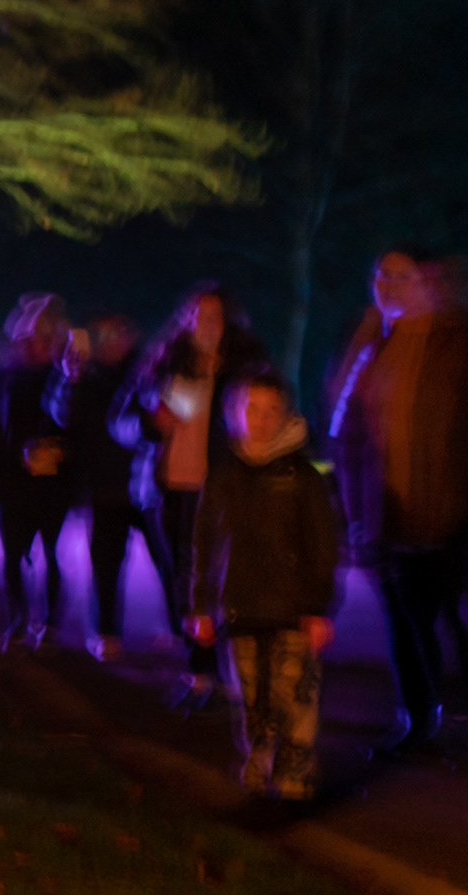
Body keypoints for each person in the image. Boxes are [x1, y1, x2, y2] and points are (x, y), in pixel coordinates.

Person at [325, 248, 468, 756]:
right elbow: (346, 433)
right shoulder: (368, 346)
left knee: (443, 615)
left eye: (402, 275)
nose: (388, 283)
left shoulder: (465, 347)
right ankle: (417, 716)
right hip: (383, 512)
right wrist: (354, 510)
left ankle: (463, 716)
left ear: (427, 282)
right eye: (380, 273)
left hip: (448, 512)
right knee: (401, 620)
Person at [115, 283, 269, 710]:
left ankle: (219, 667)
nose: (205, 324)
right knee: (179, 579)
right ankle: (200, 669)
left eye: (214, 315)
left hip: (220, 488)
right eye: (197, 315)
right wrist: (150, 424)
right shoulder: (163, 361)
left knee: (217, 578)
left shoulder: (246, 365)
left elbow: (272, 417)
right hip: (166, 489)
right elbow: (120, 421)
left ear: (230, 320)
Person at [187, 374, 340, 801]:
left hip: (295, 609)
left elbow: (323, 546)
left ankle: (296, 770)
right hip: (238, 607)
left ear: (287, 414)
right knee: (251, 693)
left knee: (296, 694)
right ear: (233, 414)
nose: (261, 419)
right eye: (251, 408)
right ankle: (259, 753)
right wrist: (200, 604)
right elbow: (204, 542)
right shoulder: (224, 475)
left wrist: (320, 608)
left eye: (272, 409)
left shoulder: (304, 477)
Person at [0, 295, 75, 651]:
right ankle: (15, 620)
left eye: (43, 339)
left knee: (51, 552)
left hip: (52, 483)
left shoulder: (63, 378)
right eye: (29, 339)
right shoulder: (3, 379)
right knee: (12, 556)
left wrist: (61, 452)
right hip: (12, 482)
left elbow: (77, 426)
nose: (35, 345)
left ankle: (51, 624)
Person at [63, 316, 146, 658]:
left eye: (119, 332)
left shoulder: (147, 370)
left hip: (147, 484)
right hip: (104, 486)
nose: (112, 340)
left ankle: (179, 629)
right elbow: (64, 416)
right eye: (103, 334)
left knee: (173, 562)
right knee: (106, 565)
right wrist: (71, 378)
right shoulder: (86, 375)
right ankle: (105, 632)